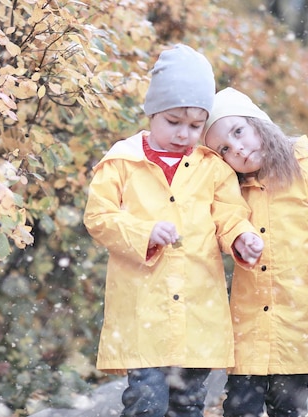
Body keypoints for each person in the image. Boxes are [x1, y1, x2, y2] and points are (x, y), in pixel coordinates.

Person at [83, 45, 264, 417]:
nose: (184, 134)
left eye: (196, 126)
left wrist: (240, 236)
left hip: (198, 306)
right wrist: (142, 232)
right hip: (141, 309)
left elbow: (229, 213)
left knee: (188, 402)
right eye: (173, 121)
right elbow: (99, 217)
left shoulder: (212, 167)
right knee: (145, 402)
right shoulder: (122, 162)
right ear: (152, 113)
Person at [202, 87, 308, 417]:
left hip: (297, 316)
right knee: (239, 405)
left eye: (238, 132)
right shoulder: (232, 190)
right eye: (224, 148)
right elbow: (222, 224)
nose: (238, 148)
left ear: (258, 123)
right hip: (249, 321)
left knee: (287, 406)